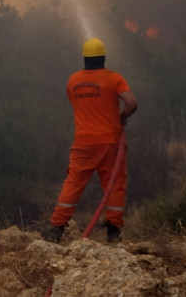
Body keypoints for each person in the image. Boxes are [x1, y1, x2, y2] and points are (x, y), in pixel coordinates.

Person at [45, 38, 138, 243]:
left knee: (73, 184)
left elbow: (77, 105)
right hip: (110, 143)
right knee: (115, 184)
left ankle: (56, 229)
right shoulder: (114, 78)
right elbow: (131, 103)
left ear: (84, 58)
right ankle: (113, 232)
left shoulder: (73, 81)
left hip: (82, 143)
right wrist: (121, 118)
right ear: (104, 57)